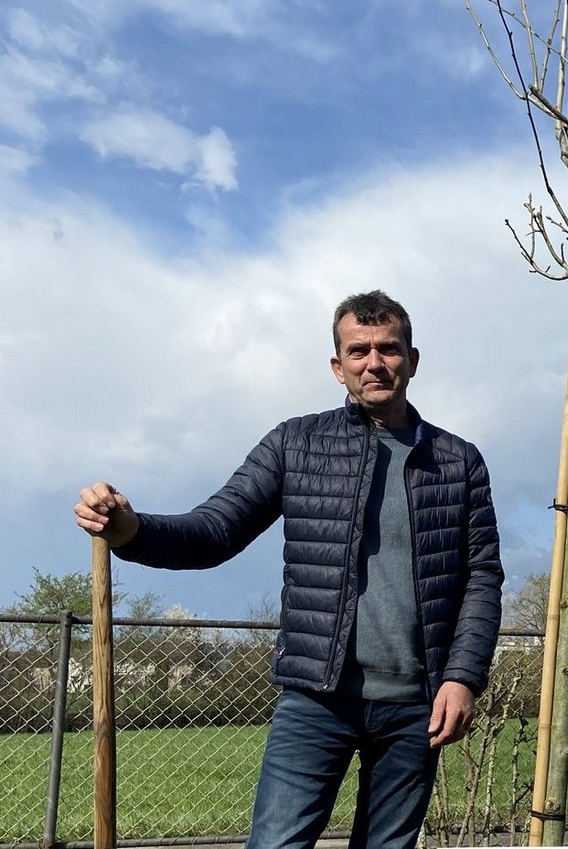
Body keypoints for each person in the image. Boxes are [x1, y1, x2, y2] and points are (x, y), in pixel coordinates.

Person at [74, 290, 505, 849]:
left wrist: (462, 677)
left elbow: (481, 577)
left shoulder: (457, 461)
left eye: (389, 349)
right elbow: (216, 528)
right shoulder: (295, 444)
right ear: (338, 367)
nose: (374, 363)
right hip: (316, 698)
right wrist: (132, 530)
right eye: (358, 351)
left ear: (413, 360)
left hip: (415, 705)